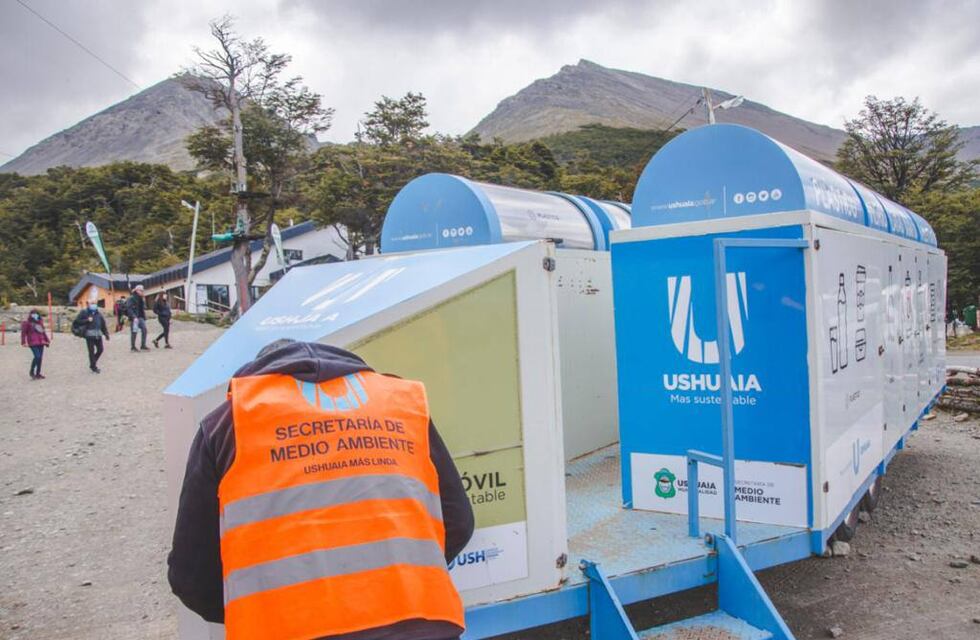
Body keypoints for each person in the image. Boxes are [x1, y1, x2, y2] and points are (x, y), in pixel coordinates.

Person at [168, 339, 473, 640]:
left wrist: (259, 609)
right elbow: (458, 522)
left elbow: (191, 575)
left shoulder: (228, 424)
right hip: (421, 627)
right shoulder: (401, 405)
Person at [72, 301, 110, 373]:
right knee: (91, 351)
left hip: (98, 334)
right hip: (89, 335)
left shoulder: (99, 314)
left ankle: (92, 363)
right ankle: (93, 367)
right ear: (88, 304)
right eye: (92, 303)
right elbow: (77, 321)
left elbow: (103, 325)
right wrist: (87, 320)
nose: (93, 305)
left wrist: (106, 334)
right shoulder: (84, 312)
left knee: (100, 350)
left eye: (94, 303)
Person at [20, 309, 50, 380]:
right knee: (37, 356)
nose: (35, 315)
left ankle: (38, 374)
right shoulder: (27, 323)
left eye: (36, 313)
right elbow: (23, 333)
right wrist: (23, 342)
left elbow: (43, 332)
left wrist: (47, 340)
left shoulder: (40, 322)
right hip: (32, 342)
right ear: (30, 315)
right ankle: (32, 371)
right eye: (33, 313)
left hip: (41, 342)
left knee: (40, 358)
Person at [126, 285, 149, 352]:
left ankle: (143, 345)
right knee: (134, 332)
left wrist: (144, 300)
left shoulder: (141, 298)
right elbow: (129, 309)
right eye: (141, 291)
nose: (142, 292)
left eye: (143, 291)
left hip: (140, 317)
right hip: (134, 318)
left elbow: (143, 308)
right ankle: (133, 347)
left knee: (144, 329)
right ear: (137, 290)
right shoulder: (131, 298)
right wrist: (133, 317)